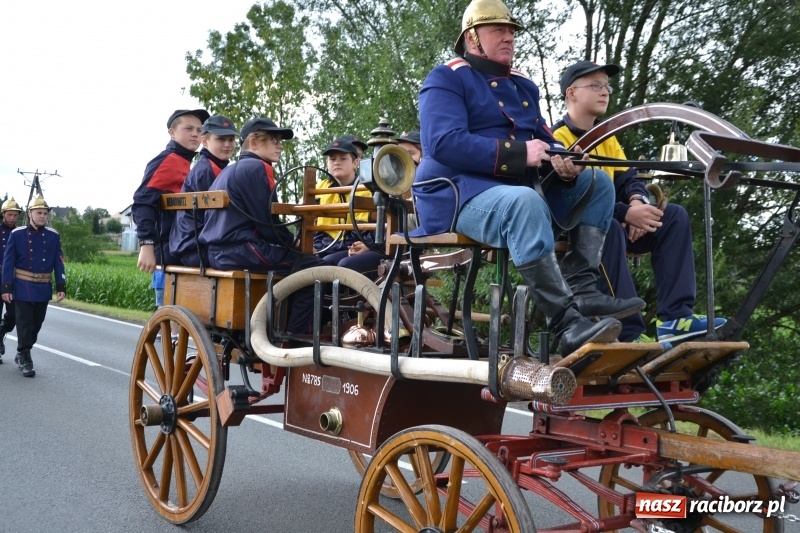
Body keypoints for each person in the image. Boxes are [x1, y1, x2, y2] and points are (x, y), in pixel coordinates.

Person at [412, 0, 645, 355]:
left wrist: (564, 160)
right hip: (457, 193)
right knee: (525, 202)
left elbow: (542, 137)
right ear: (471, 37)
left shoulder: (522, 86)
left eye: (511, 31)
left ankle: (582, 291)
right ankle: (566, 324)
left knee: (598, 182)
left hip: (511, 189)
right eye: (498, 30)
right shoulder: (445, 77)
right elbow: (443, 143)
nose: (509, 37)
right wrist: (520, 154)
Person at [552, 60, 726, 342]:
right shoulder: (558, 138)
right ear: (571, 93)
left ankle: (675, 318)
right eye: (595, 85)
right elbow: (569, 196)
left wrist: (636, 203)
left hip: (615, 221)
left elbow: (628, 178)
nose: (605, 91)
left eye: (607, 86)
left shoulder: (607, 138)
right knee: (610, 228)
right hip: (577, 233)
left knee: (674, 218)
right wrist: (624, 215)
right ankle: (628, 331)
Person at [199, 118, 325, 334]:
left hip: (220, 251)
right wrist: (295, 244)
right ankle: (295, 339)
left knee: (300, 262)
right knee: (314, 269)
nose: (280, 146)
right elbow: (268, 224)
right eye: (274, 140)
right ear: (254, 142)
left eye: (280, 141)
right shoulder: (258, 167)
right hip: (242, 250)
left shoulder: (231, 170)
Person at [132, 108, 210, 307]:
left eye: (199, 130)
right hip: (169, 246)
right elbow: (142, 202)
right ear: (172, 132)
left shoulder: (186, 163)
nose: (195, 133)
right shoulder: (168, 161)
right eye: (189, 128)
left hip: (179, 244)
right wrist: (146, 245)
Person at [1, 195, 66, 377]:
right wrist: (6, 287)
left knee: (36, 324)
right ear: (30, 213)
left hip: (43, 287)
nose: (43, 216)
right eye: (39, 212)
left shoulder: (53, 236)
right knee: (23, 323)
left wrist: (61, 285)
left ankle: (24, 350)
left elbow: (58, 262)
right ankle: (24, 355)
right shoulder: (17, 234)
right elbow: (8, 262)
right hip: (22, 286)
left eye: (45, 213)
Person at [169, 115, 239, 266]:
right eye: (221, 139)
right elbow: (216, 219)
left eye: (231, 140)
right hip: (196, 249)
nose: (227, 144)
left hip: (194, 246)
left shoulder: (217, 167)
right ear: (205, 141)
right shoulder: (205, 171)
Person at [314, 138, 382, 279]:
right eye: (332, 159)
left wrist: (369, 245)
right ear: (327, 163)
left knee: (331, 264)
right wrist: (315, 247)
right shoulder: (320, 190)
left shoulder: (370, 188)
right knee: (311, 263)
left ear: (355, 163)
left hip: (356, 247)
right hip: (328, 248)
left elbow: (383, 226)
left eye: (343, 158)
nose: (337, 162)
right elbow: (313, 226)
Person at [0, 197, 22, 362]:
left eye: (15, 215)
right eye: (10, 215)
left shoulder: (20, 233)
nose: (13, 218)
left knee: (14, 315)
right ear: (3, 214)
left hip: (11, 280)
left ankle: (1, 331)